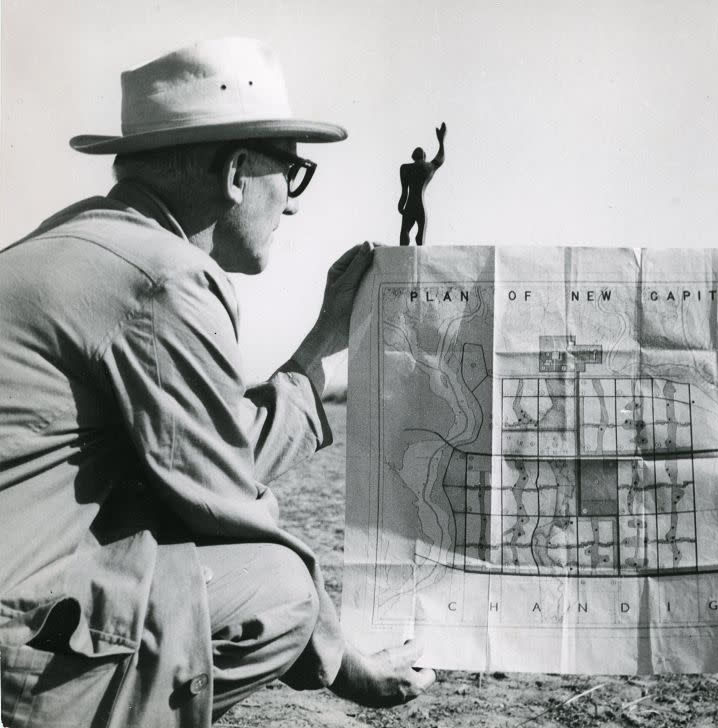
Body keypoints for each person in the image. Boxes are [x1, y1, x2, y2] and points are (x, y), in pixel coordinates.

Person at [0, 37, 435, 728]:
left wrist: (319, 348)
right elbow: (223, 497)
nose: (291, 205)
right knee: (282, 590)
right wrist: (346, 665)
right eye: (291, 173)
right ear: (236, 172)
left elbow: (203, 448)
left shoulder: (83, 244)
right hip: (14, 646)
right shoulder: (167, 279)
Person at [398, 122, 447, 246]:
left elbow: (404, 192)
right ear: (424, 157)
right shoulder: (428, 167)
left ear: (413, 156)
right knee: (420, 236)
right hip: (420, 205)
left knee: (405, 233)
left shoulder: (405, 168)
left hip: (409, 205)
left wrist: (400, 205)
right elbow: (440, 159)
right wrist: (441, 141)